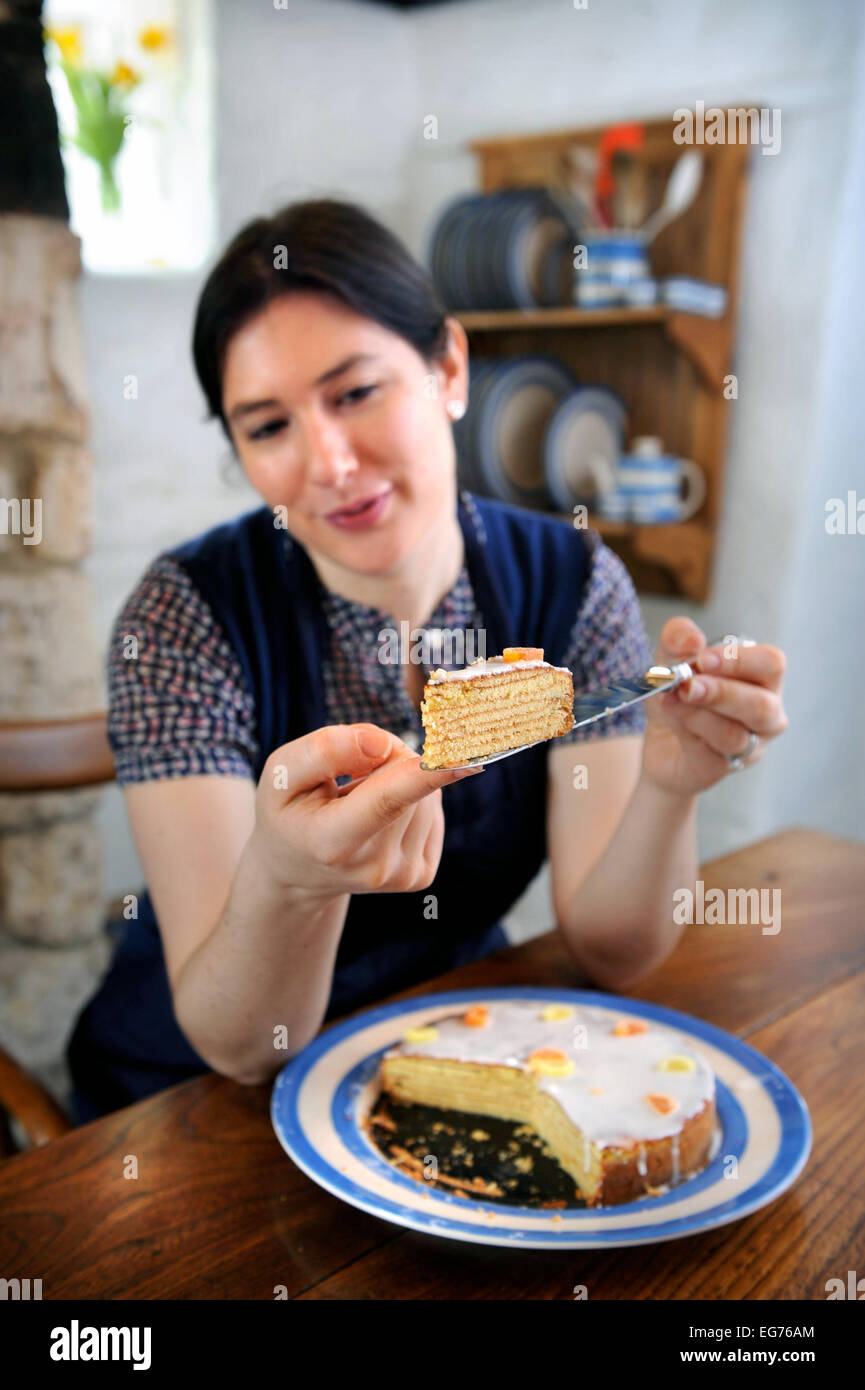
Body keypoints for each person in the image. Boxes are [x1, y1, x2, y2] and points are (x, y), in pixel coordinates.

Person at [67, 200, 788, 1122]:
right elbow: (240, 1047)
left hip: (450, 1059)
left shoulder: (571, 583)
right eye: (267, 426)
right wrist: (291, 878)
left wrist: (668, 786)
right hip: (191, 1109)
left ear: (448, 367)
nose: (327, 460)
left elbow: (612, 951)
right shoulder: (183, 616)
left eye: (355, 392)